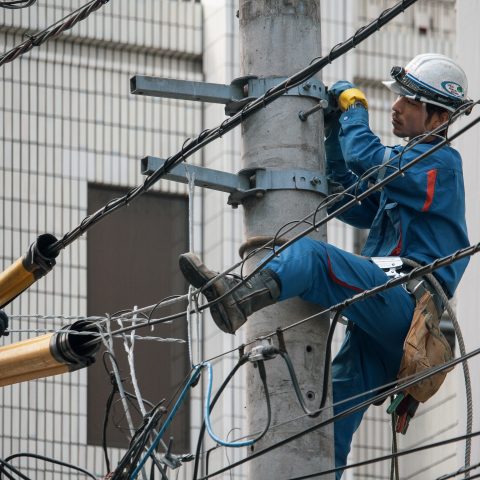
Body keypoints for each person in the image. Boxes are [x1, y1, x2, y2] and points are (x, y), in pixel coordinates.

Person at [178, 53, 471, 477]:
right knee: (328, 425)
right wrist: (334, 131)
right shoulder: (411, 172)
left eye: (408, 99)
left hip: (408, 309)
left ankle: (241, 298)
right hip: (390, 324)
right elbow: (346, 197)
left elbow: (366, 157)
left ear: (437, 117)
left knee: (314, 259)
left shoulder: (438, 163)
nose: (397, 105)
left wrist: (354, 111)